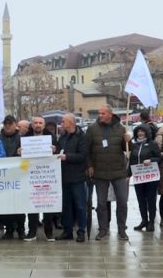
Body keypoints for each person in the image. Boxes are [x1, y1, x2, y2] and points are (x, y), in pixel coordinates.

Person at [86, 104, 132, 241]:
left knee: (122, 202)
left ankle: (122, 229)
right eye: (99, 113)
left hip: (119, 171)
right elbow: (87, 150)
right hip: (100, 171)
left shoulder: (121, 128)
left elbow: (126, 149)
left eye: (103, 113)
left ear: (110, 114)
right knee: (101, 203)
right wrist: (89, 165)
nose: (100, 115)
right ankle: (103, 229)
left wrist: (128, 141)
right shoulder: (92, 129)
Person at [22, 116, 57, 242]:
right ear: (32, 125)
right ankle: (32, 231)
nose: (38, 125)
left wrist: (55, 150)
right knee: (32, 203)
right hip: (31, 175)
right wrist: (19, 152)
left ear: (44, 125)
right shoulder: (25, 138)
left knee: (47, 203)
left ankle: (49, 231)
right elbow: (18, 156)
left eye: (40, 123)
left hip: (47, 174)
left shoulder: (52, 138)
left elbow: (59, 153)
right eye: (35, 123)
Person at [57, 113, 88, 242]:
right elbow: (58, 153)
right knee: (66, 206)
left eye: (63, 121)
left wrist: (67, 157)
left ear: (71, 123)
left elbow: (82, 156)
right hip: (64, 177)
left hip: (77, 177)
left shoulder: (82, 137)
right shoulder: (62, 137)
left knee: (80, 205)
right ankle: (67, 231)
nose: (61, 124)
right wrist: (54, 149)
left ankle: (81, 231)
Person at [0, 115, 25, 240]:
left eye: (10, 123)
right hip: (2, 176)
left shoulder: (22, 138)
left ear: (15, 124)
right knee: (5, 204)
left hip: (18, 175)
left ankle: (21, 229)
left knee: (19, 204)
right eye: (5, 123)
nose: (7, 126)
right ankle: (9, 229)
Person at [129, 125, 161, 232]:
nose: (140, 133)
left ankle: (151, 221)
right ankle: (144, 220)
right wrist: (128, 175)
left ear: (147, 132)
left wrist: (151, 160)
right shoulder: (134, 145)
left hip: (151, 176)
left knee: (151, 199)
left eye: (142, 131)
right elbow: (131, 161)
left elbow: (159, 158)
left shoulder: (152, 144)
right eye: (138, 131)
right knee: (140, 199)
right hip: (138, 176)